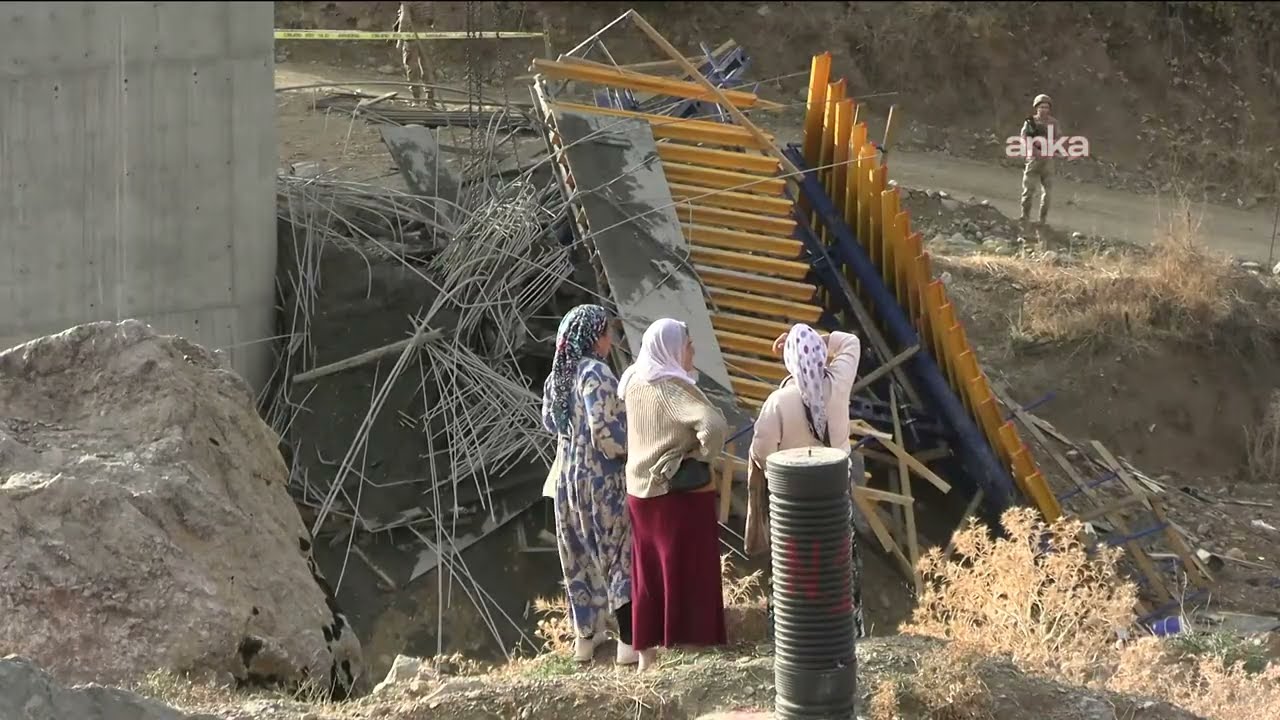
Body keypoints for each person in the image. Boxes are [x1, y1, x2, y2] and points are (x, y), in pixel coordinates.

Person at [618, 318, 730, 671]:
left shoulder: (634, 379)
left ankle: (646, 658)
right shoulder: (669, 387)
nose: (693, 350)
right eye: (688, 344)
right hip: (676, 491)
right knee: (692, 568)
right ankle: (694, 646)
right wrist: (703, 454)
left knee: (648, 574)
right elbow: (713, 424)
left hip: (640, 491)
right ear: (670, 349)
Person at [745, 323, 867, 639]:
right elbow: (850, 340)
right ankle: (845, 634)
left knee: (793, 570)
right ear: (821, 356)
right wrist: (819, 341)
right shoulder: (839, 382)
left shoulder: (778, 402)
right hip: (836, 493)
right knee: (837, 563)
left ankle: (794, 637)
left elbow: (760, 451)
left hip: (793, 503)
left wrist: (778, 475)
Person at [540, 304, 636, 665]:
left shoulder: (557, 378)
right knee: (616, 555)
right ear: (595, 338)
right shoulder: (596, 374)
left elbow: (551, 423)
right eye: (607, 332)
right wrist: (633, 448)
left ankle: (586, 639)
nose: (610, 339)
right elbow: (606, 434)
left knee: (576, 557)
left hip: (564, 480)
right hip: (600, 480)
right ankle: (628, 643)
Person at [1019, 93, 1057, 230]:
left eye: (1046, 107)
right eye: (1041, 107)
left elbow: (1057, 140)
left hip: (1046, 161)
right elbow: (1025, 139)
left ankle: (1041, 220)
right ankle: (1025, 217)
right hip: (1034, 160)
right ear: (1036, 108)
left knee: (1047, 193)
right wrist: (1036, 152)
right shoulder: (1031, 122)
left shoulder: (1053, 123)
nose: (1044, 110)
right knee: (1028, 191)